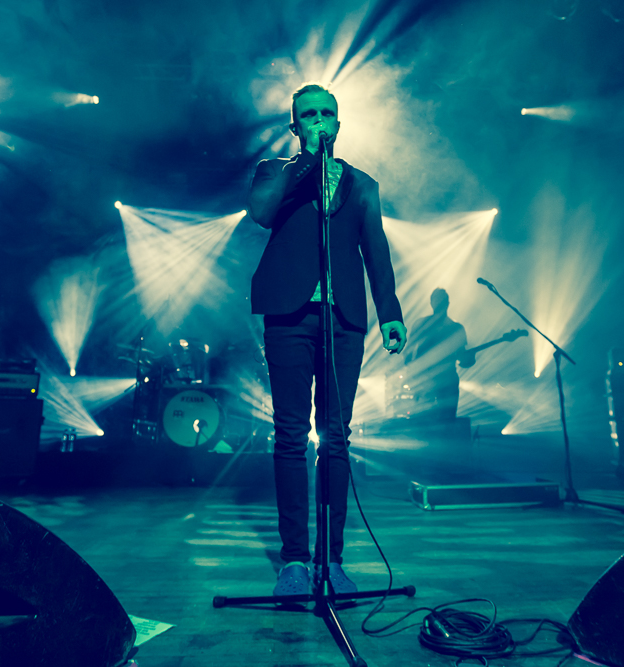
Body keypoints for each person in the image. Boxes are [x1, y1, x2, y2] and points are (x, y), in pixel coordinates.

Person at [248, 82, 406, 598]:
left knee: (336, 436)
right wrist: (306, 164)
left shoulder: (362, 184)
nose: (319, 120)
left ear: (339, 123)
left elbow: (376, 251)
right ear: (296, 126)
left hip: (343, 318)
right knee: (291, 434)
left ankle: (331, 559)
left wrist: (390, 314)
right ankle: (294, 560)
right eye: (309, 114)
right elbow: (262, 213)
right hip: (289, 316)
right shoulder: (274, 172)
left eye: (327, 113)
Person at [404, 288, 474, 422]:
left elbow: (464, 360)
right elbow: (408, 354)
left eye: (441, 301)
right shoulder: (453, 328)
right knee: (428, 420)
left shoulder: (455, 328)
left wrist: (469, 358)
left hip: (440, 381)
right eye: (438, 301)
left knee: (439, 420)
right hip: (429, 381)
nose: (439, 304)